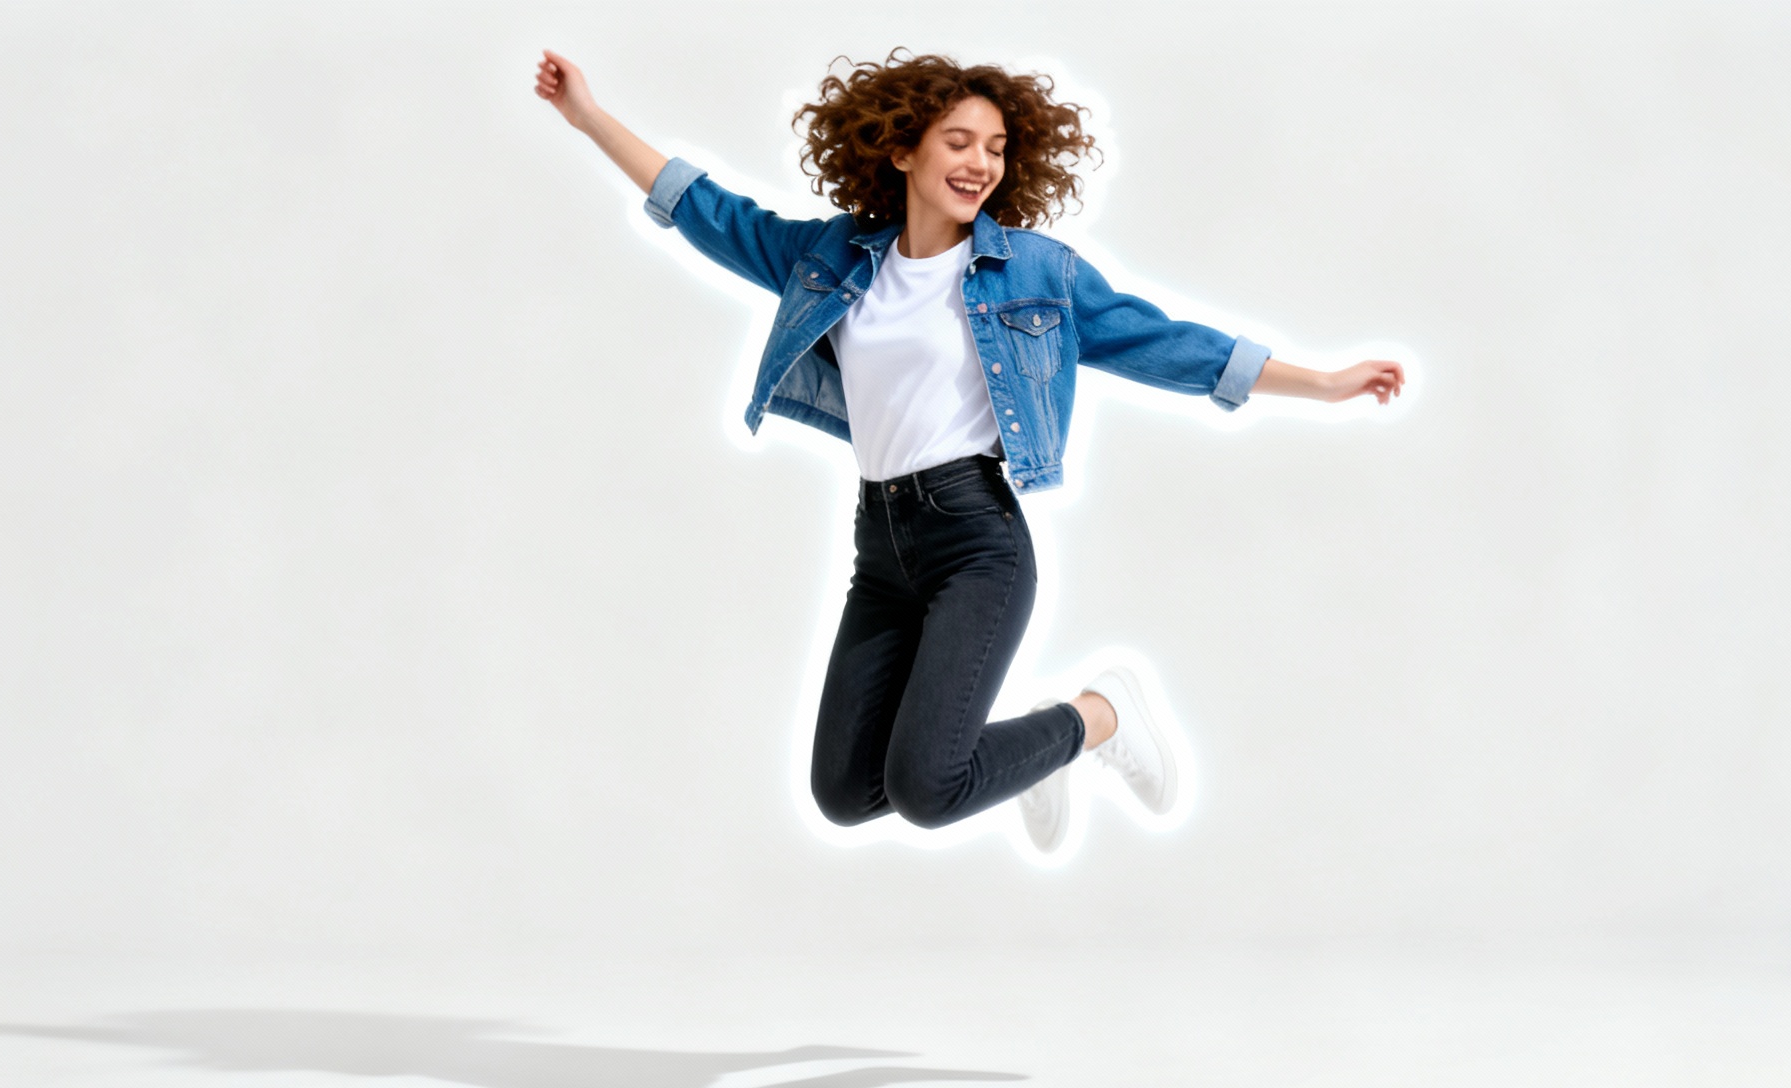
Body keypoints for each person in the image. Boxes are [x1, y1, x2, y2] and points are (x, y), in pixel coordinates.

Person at [534, 48, 1402, 853]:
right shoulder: (832, 258)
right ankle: (1038, 756)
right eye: (958, 142)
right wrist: (588, 117)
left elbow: (1168, 344)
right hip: (880, 548)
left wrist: (1323, 382)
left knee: (928, 788)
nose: (980, 163)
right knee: (845, 793)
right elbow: (709, 212)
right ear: (901, 150)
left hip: (976, 542)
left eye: (995, 148)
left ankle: (1097, 715)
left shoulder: (1033, 273)